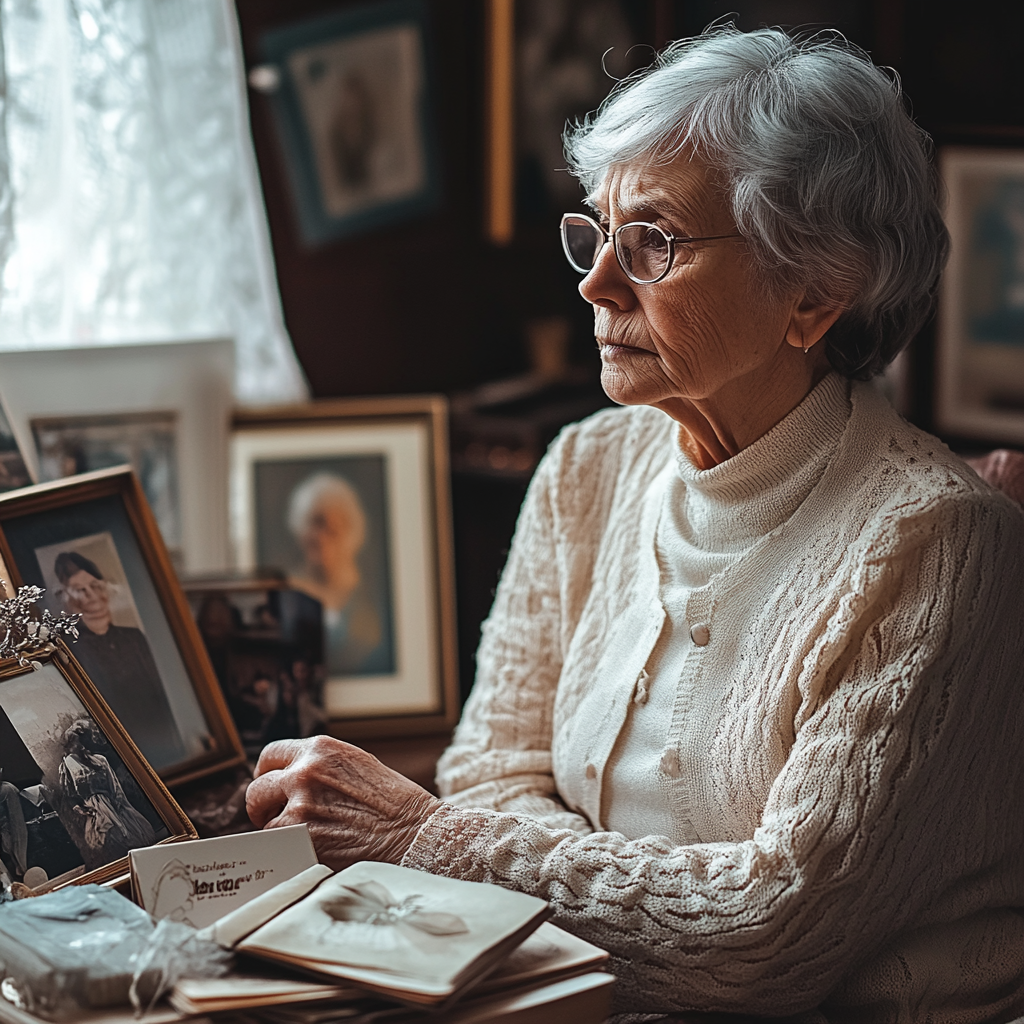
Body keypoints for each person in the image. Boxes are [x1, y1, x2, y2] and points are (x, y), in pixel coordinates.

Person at [245, 26, 1024, 1022]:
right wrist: (564, 879)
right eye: (596, 232)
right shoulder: (586, 469)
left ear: (814, 294)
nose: (595, 283)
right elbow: (489, 772)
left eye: (653, 242)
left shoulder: (938, 546)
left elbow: (766, 938)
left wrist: (425, 840)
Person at [54, 551, 186, 769]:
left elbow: (162, 701)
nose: (91, 597)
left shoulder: (134, 638)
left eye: (96, 586)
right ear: (65, 600)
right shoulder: (67, 651)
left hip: (163, 752)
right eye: (79, 591)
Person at [286, 473, 390, 675]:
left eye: (334, 526)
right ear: (299, 528)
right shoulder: (288, 591)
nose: (322, 536)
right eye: (315, 522)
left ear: (352, 532)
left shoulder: (373, 594)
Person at [57, 719, 156, 869]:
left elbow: (114, 785)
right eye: (76, 742)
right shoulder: (68, 765)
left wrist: (119, 804)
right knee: (106, 844)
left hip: (111, 803)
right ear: (71, 744)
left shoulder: (100, 760)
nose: (80, 745)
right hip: (92, 810)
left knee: (130, 837)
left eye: (83, 741)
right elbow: (70, 794)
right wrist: (82, 809)